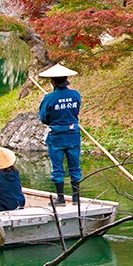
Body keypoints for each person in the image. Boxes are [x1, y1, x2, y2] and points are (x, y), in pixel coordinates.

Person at [39, 63, 82, 205]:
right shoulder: (75, 95)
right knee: (74, 165)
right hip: (73, 134)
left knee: (58, 167)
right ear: (67, 79)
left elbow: (44, 118)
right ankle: (76, 198)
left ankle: (61, 198)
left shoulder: (49, 98)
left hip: (57, 135)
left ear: (52, 82)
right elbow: (76, 111)